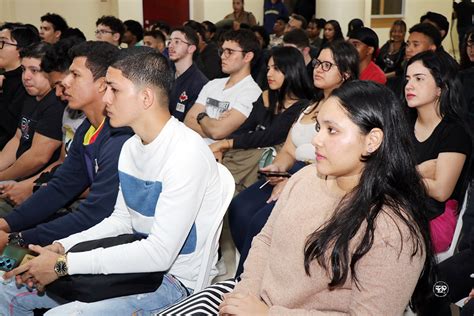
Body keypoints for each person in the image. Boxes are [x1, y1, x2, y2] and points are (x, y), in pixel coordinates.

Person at [162, 80, 434, 315]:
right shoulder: (306, 178)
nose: (316, 140)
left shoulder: (391, 227)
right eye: (319, 128)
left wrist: (268, 314)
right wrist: (245, 296)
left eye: (332, 130)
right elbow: (266, 241)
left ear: (372, 141)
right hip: (253, 299)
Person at [1, 48, 224, 315]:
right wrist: (61, 247)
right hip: (131, 266)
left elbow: (160, 254)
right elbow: (121, 220)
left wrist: (63, 264)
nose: (105, 98)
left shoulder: (186, 154)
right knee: (7, 287)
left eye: (114, 90)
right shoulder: (131, 147)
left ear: (145, 97)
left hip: (172, 282)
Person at [230, 40, 359, 276]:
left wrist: (293, 180)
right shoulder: (310, 106)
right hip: (291, 172)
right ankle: (251, 273)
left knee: (261, 223)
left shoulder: (349, 110)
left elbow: (340, 162)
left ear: (346, 73)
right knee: (239, 207)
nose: (318, 68)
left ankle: (250, 283)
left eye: (327, 65)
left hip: (321, 179)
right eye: (318, 62)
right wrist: (277, 168)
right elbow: (289, 149)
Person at [0, 41, 132, 251]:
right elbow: (60, 187)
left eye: (76, 75)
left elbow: (95, 215)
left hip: (120, 243)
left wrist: (17, 238)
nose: (66, 83)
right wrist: (6, 224)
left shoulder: (121, 138)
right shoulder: (88, 128)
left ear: (101, 84)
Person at [210, 46, 313, 192]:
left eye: (276, 69)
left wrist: (224, 144)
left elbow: (269, 136)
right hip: (243, 155)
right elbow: (246, 127)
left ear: (291, 70)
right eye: (269, 68)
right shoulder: (266, 95)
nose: (269, 74)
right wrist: (223, 146)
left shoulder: (302, 106)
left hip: (267, 164)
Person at [404, 50, 472, 253]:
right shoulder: (402, 122)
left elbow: (441, 191)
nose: (409, 85)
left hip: (434, 217)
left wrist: (406, 173)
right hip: (400, 207)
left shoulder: (455, 131)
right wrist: (421, 171)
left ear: (441, 86)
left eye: (419, 79)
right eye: (407, 79)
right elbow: (380, 170)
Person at [0, 42, 64, 184]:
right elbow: (18, 139)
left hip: (39, 182)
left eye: (34, 70)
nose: (26, 76)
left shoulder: (56, 103)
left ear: (50, 72)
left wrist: (2, 177)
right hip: (19, 175)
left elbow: (38, 158)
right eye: (23, 69)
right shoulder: (30, 95)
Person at [184, 29, 261, 143]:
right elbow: (188, 121)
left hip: (219, 157)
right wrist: (212, 125)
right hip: (194, 147)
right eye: (222, 51)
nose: (223, 57)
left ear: (247, 57)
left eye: (229, 52)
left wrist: (201, 117)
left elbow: (217, 132)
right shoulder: (213, 84)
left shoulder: (252, 93)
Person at [0, 23, 41, 150]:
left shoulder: (27, 84)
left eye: (3, 42)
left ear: (21, 49)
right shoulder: (6, 78)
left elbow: (11, 129)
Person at [168, 27, 208, 122]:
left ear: (191, 48)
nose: (170, 46)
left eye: (177, 42)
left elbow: (190, 122)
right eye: (170, 41)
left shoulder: (200, 84)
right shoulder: (166, 73)